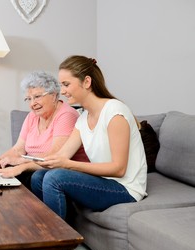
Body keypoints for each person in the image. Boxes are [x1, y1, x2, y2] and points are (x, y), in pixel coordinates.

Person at [31, 55, 147, 221]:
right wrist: (27, 163)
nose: (62, 91)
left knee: (55, 178)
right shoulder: (83, 118)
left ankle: (56, 242)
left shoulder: (115, 112)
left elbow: (118, 169)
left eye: (66, 84)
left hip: (125, 188)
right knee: (39, 176)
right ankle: (62, 230)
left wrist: (68, 165)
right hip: (102, 182)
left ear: (86, 82)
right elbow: (62, 156)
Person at [0, 70, 88, 189]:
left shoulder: (66, 115)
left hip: (62, 173)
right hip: (33, 168)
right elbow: (18, 149)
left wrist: (20, 161)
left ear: (54, 95)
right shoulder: (32, 116)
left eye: (37, 97)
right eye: (28, 99)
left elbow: (55, 154)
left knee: (28, 176)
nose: (32, 104)